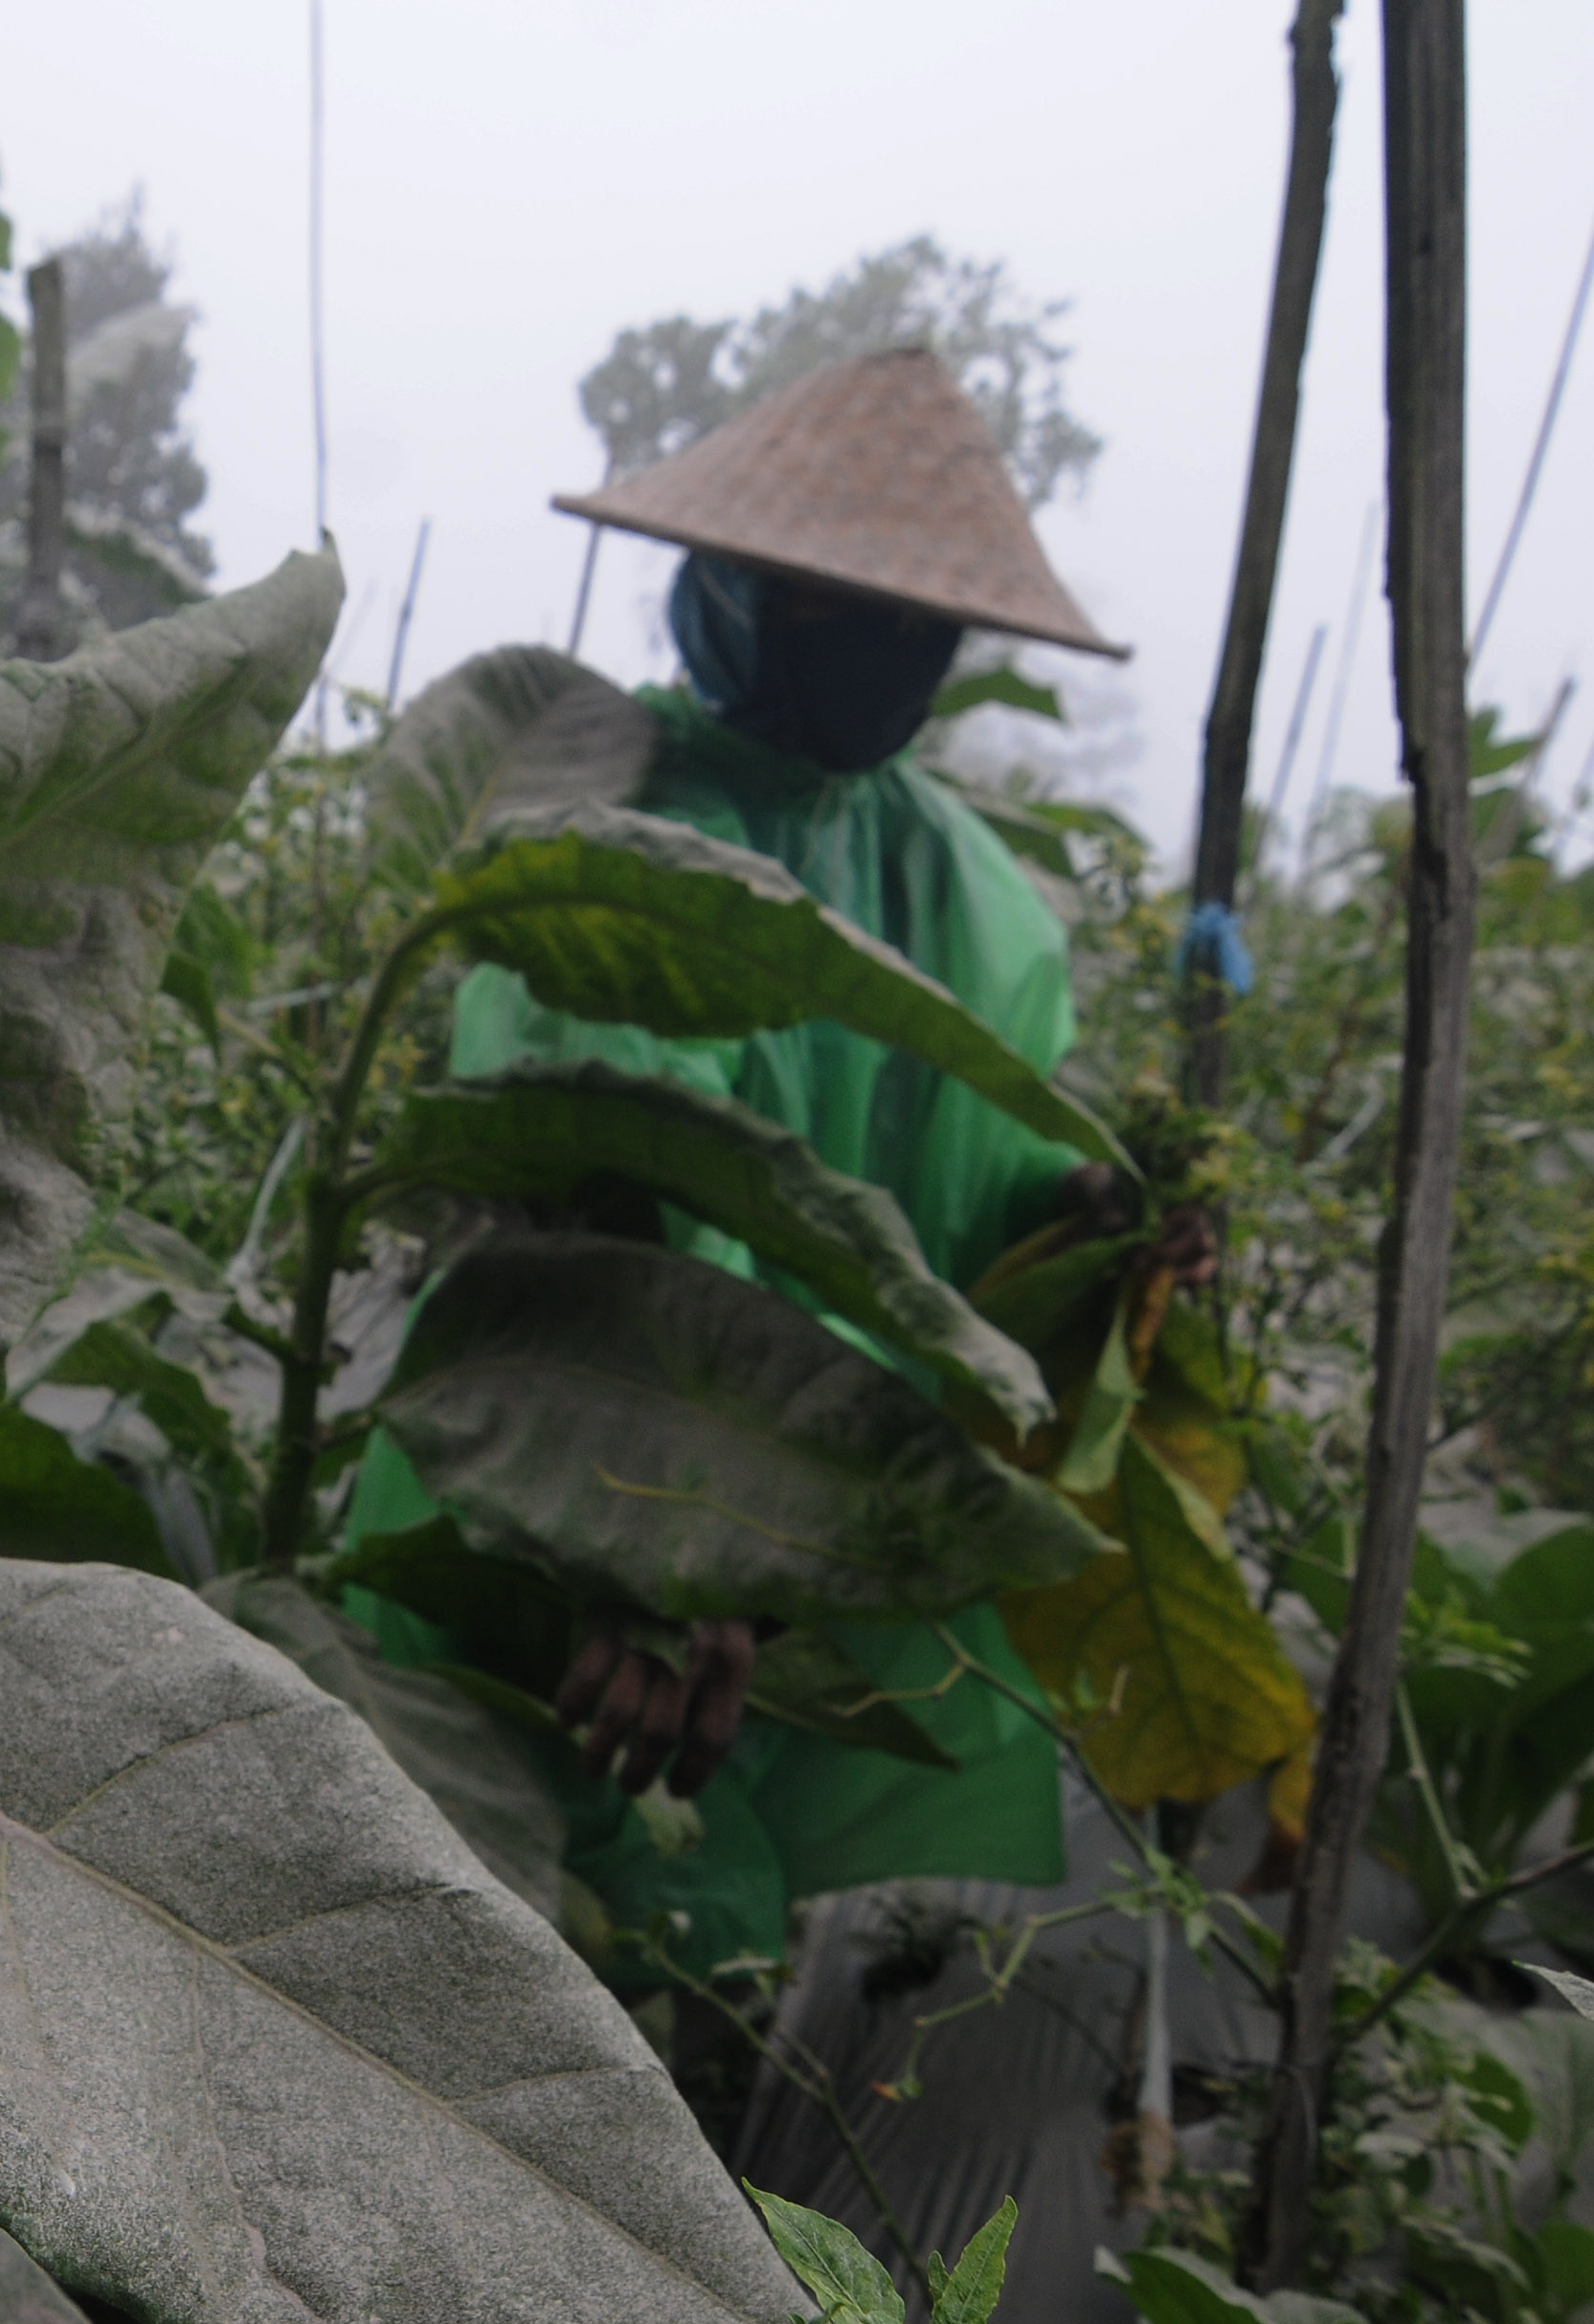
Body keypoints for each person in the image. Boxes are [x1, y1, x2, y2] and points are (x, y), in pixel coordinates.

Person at [345, 348, 1201, 1971]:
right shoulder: (611, 815)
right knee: (477, 1910)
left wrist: (1101, 1223)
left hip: (792, 1537)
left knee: (690, 1942)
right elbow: (614, 1201)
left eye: (917, 622)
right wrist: (662, 1549)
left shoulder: (954, 875)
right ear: (729, 591)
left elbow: (963, 1197)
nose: (885, 657)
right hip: (582, 1469)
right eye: (832, 606)